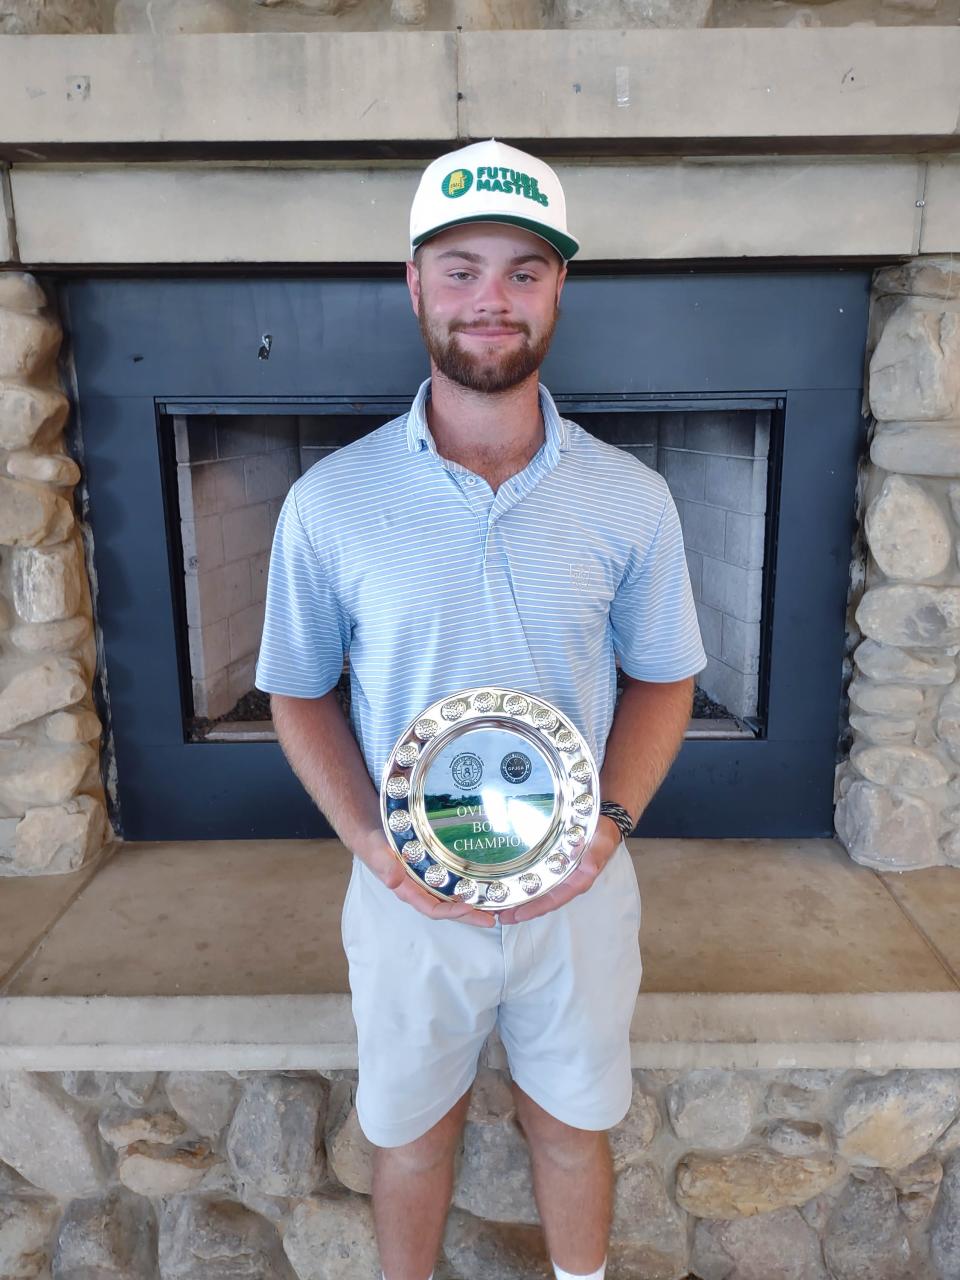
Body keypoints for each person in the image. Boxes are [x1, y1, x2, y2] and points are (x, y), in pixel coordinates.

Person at [255, 139, 706, 1280]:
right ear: (414, 284)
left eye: (521, 270)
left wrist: (607, 830)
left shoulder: (631, 497)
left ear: (560, 289)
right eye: (459, 269)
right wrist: (371, 842)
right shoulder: (331, 502)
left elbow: (663, 676)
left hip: (580, 890)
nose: (489, 300)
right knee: (409, 1134)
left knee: (572, 1124)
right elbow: (296, 690)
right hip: (406, 898)